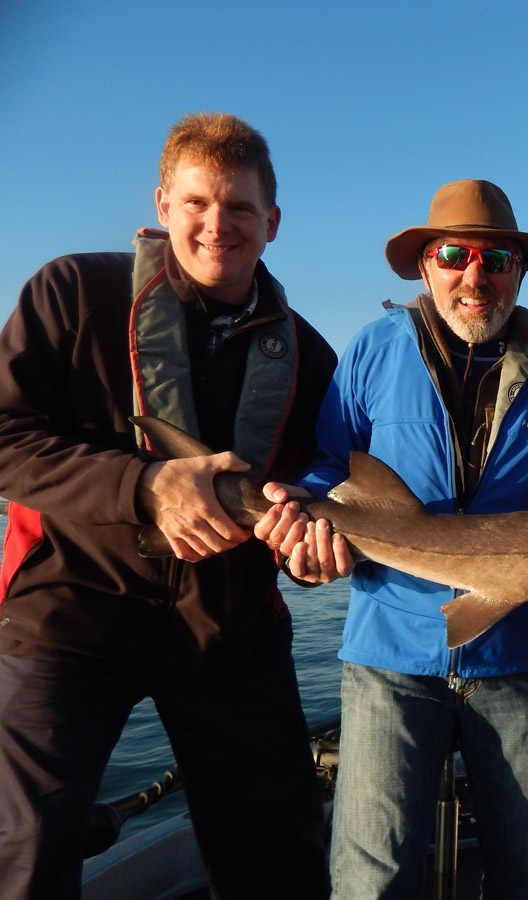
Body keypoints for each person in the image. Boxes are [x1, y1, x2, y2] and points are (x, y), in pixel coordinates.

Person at [0, 112, 336, 899]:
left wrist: (309, 556)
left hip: (231, 634)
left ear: (273, 222)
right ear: (162, 205)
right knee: (25, 853)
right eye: (197, 203)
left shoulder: (311, 355)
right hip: (68, 617)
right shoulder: (71, 292)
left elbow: (315, 491)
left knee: (281, 858)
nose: (218, 225)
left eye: (241, 207)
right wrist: (143, 486)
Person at [255, 179, 528, 899]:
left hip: (520, 659)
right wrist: (302, 524)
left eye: (496, 260)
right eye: (454, 255)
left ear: (519, 271)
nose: (475, 276)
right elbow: (331, 464)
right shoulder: (374, 350)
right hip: (389, 654)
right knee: (371, 880)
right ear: (425, 266)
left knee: (527, 877)